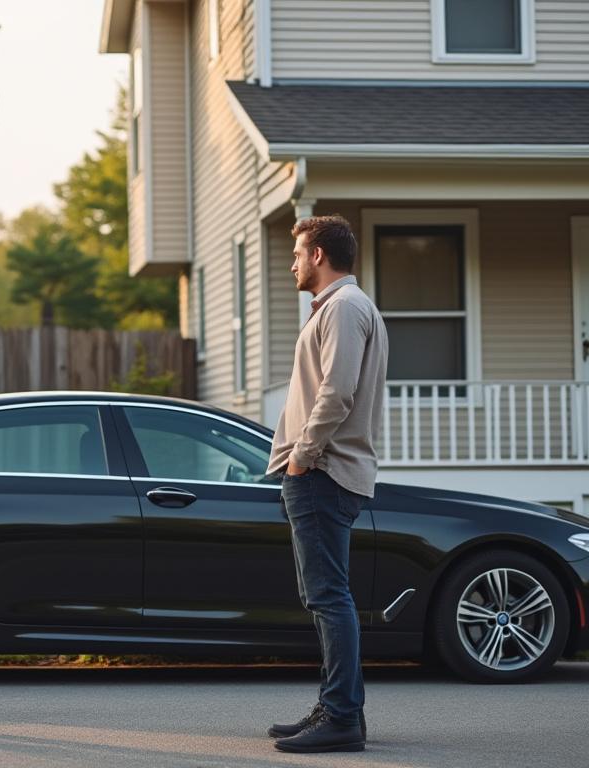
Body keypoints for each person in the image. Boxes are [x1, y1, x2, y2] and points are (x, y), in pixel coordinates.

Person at [266, 215, 387, 753]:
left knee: (329, 597)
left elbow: (337, 393)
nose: (292, 263)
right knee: (324, 597)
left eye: (297, 253)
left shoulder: (344, 308)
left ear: (318, 255)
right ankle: (337, 708)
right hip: (323, 472)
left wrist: (301, 457)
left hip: (323, 471)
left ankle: (340, 717)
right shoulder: (343, 307)